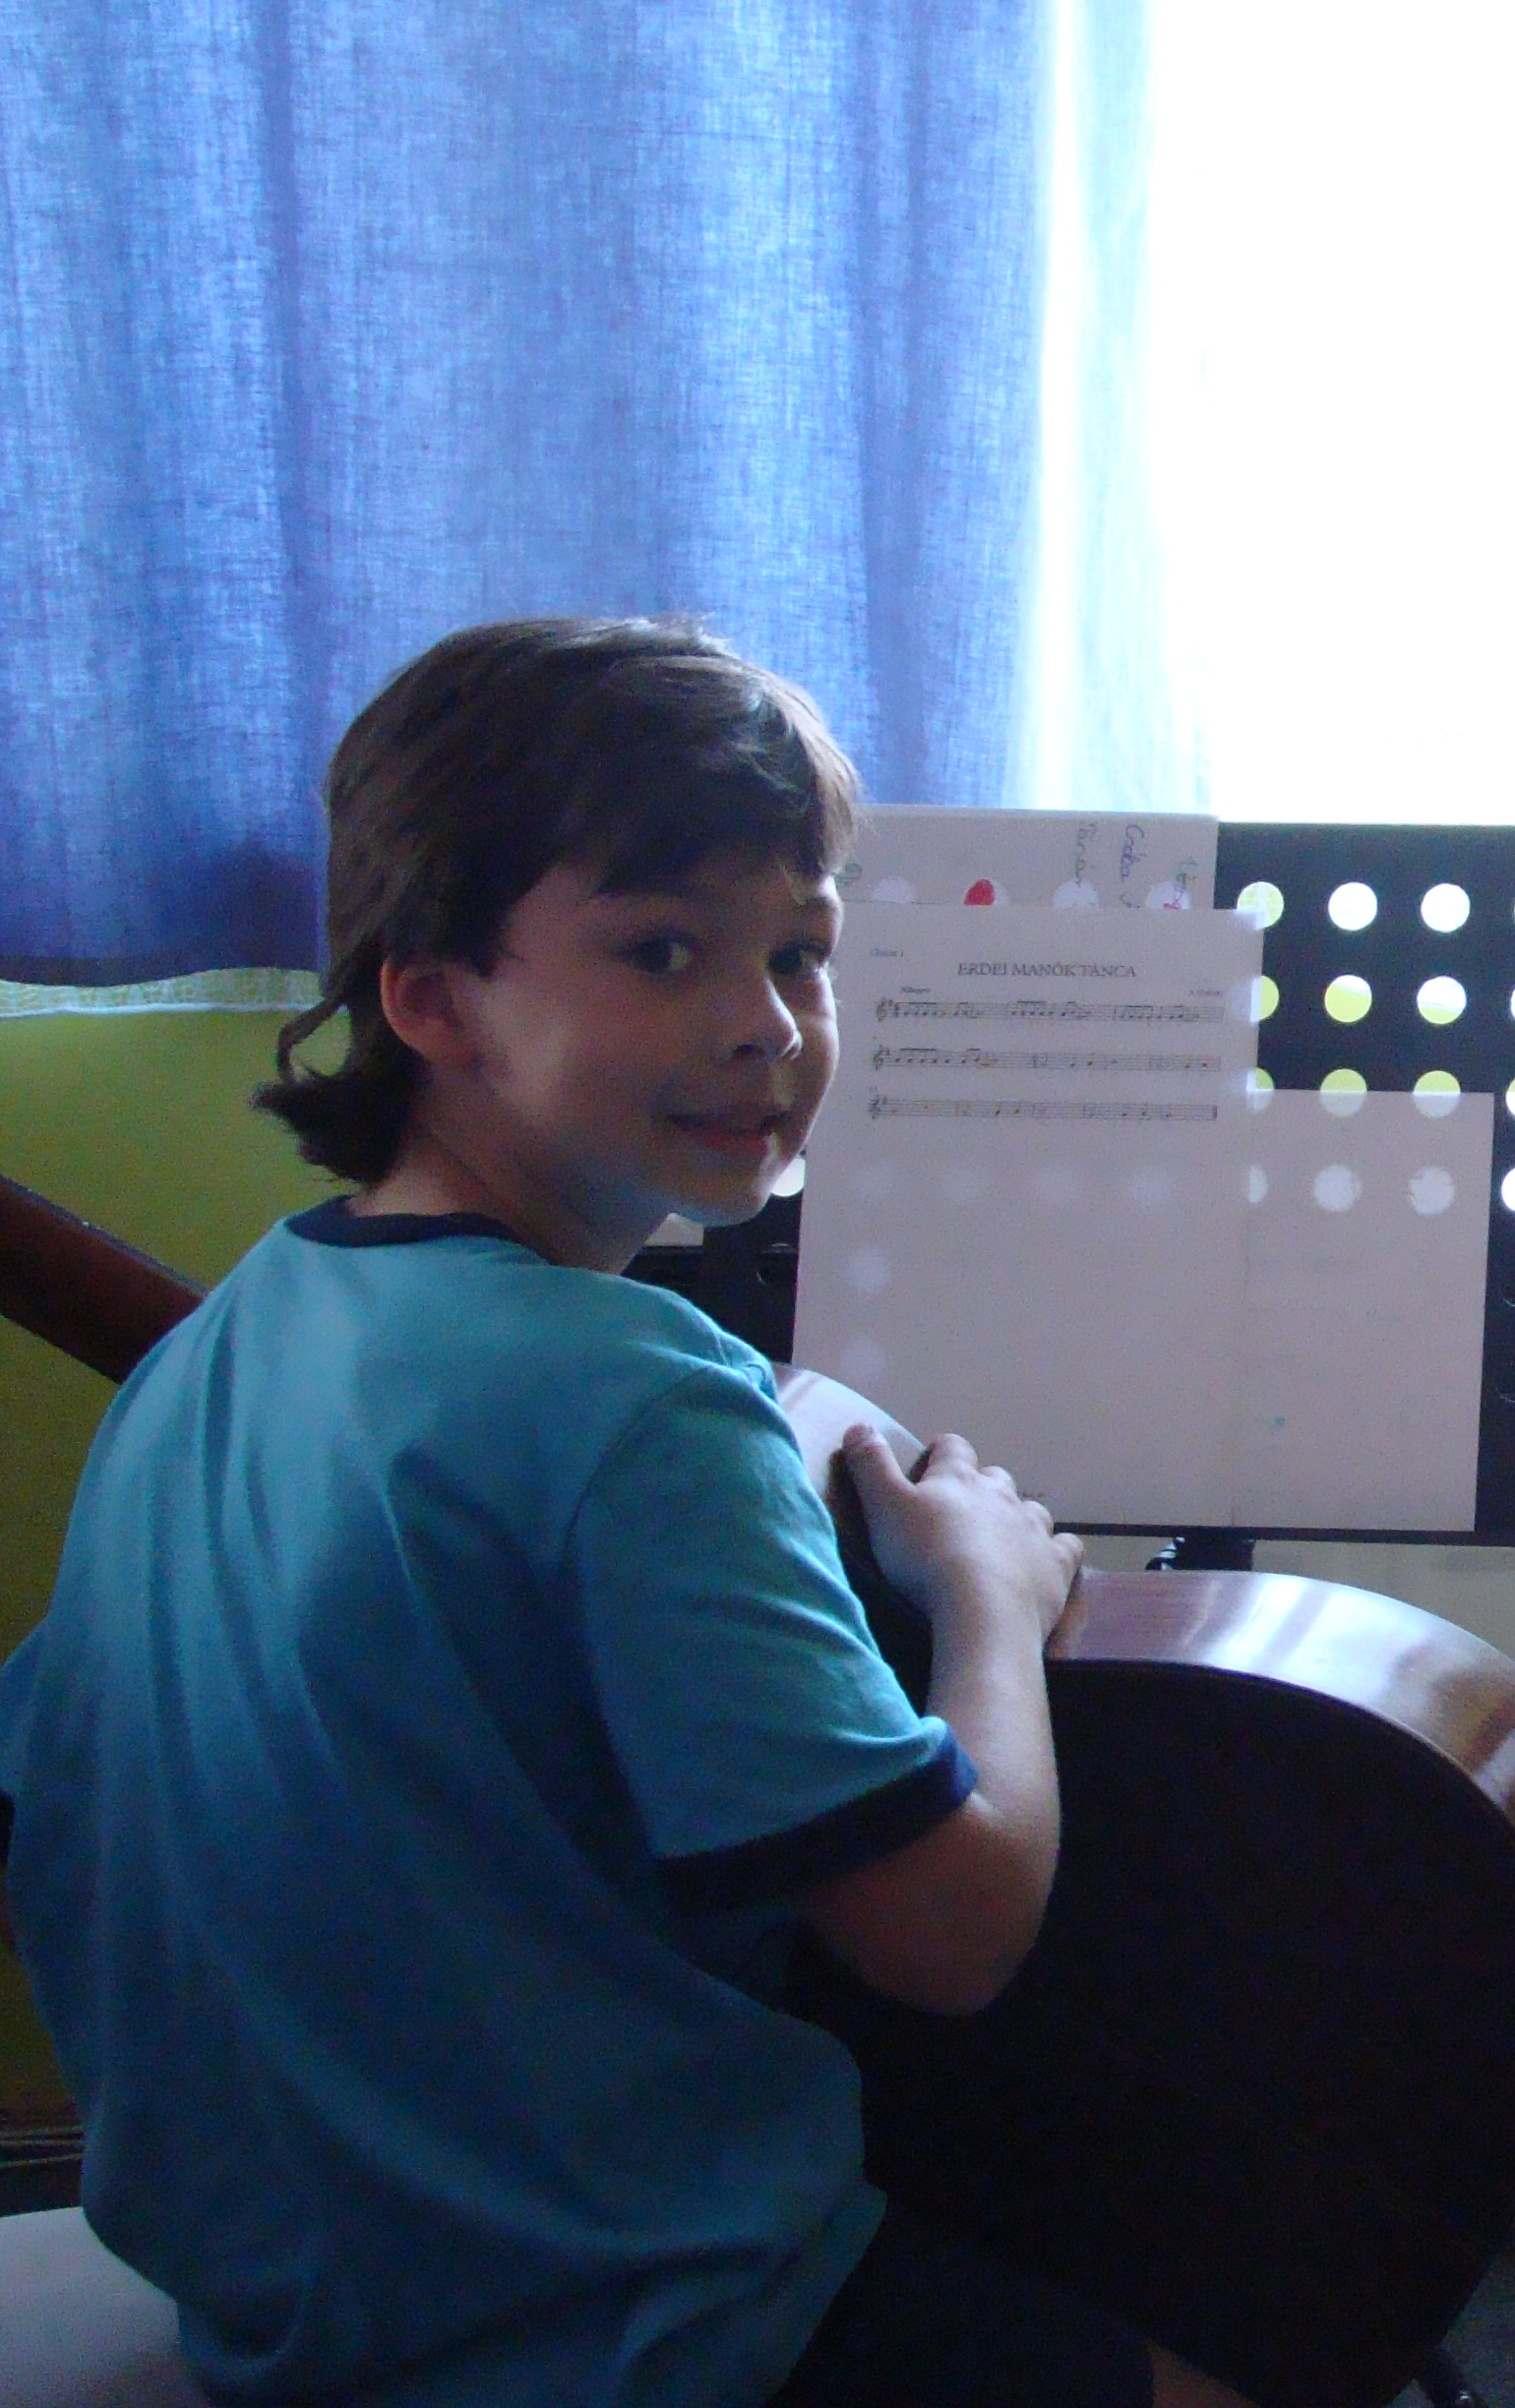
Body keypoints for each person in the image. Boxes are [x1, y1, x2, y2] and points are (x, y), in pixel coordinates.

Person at [0, 622, 1251, 2408]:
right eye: (664, 951)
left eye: (801, 952)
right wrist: (986, 1588)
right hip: (625, 2323)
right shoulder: (637, 1397)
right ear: (433, 1000)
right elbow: (952, 1933)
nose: (766, 1026)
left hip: (285, 2310)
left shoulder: (230, 1339)